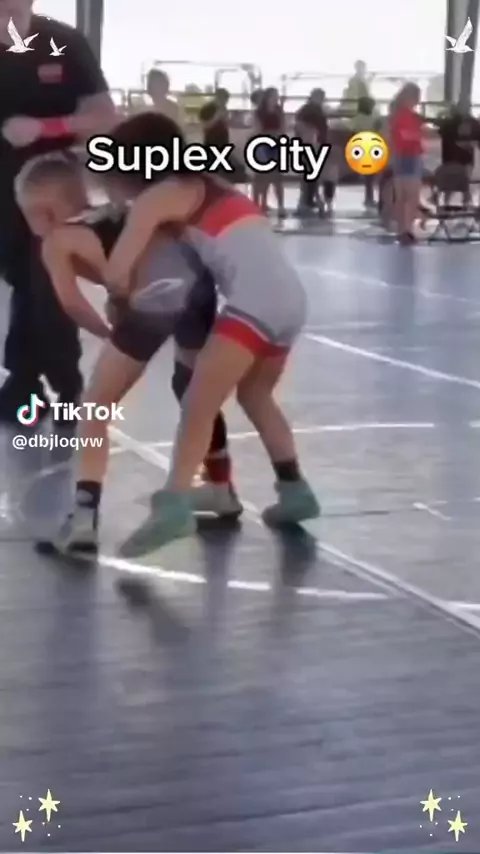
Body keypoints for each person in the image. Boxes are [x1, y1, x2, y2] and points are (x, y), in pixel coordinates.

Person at [86, 111, 320, 557]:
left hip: (254, 302)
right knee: (255, 396)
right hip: (289, 299)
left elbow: (117, 272)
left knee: (198, 401)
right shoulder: (210, 184)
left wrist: (116, 291)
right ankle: (294, 489)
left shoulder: (158, 198)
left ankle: (174, 503)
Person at [14, 151, 243, 554]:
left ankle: (83, 518)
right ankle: (221, 484)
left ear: (42, 213)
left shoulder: (56, 240)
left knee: (95, 406)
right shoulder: (113, 215)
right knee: (190, 386)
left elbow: (71, 304)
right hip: (196, 286)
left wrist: (109, 335)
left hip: (153, 299)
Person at [0, 0, 117, 422]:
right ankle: (27, 382)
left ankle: (61, 384)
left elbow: (104, 115)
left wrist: (46, 128)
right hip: (4, 198)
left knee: (47, 283)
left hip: (54, 193)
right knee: (26, 283)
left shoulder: (63, 42)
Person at [389, 82, 424, 244]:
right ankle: (407, 229)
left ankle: (402, 229)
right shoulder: (407, 116)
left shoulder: (396, 114)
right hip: (410, 155)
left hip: (399, 156)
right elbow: (407, 135)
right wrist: (418, 135)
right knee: (411, 196)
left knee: (401, 197)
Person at [434, 103, 480, 206]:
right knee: (460, 182)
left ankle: (458, 203)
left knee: (458, 182)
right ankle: (462, 203)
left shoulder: (451, 123)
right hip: (457, 158)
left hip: (456, 158)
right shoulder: (468, 122)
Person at [251, 87, 286, 217]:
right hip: (263, 144)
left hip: (276, 144)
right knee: (261, 176)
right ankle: (258, 204)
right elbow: (258, 129)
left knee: (277, 177)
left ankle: (280, 206)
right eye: (273, 96)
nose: (276, 99)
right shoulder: (259, 112)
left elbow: (283, 127)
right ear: (267, 97)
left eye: (276, 96)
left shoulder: (279, 111)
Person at [295, 89, 328, 214]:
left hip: (313, 144)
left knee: (311, 174)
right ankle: (308, 200)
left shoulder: (311, 109)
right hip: (311, 144)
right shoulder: (310, 110)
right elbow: (302, 126)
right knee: (311, 174)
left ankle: (308, 199)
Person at [350, 96, 382, 207]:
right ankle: (370, 198)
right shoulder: (368, 118)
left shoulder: (359, 119)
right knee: (371, 175)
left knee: (371, 176)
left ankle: (370, 197)